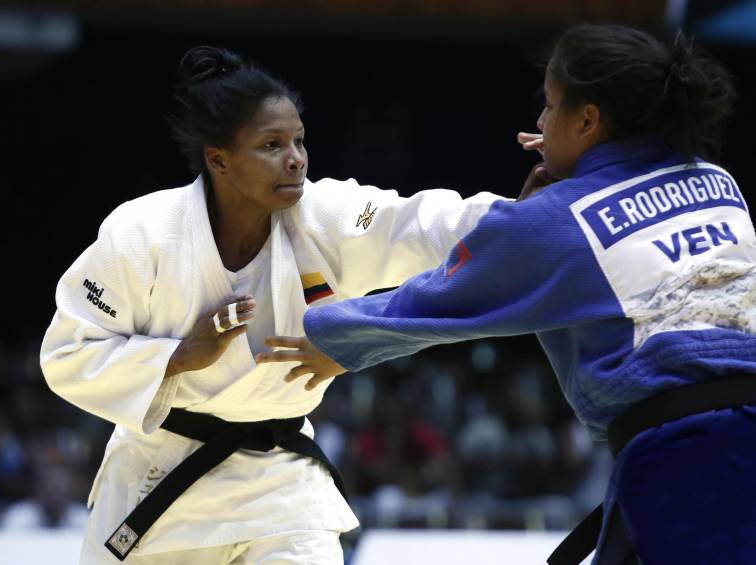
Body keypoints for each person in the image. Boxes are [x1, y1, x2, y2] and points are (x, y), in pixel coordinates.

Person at [258, 25, 756, 564]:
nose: (540, 124)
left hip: (697, 454)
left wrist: (331, 339)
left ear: (588, 120)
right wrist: (569, 176)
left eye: (550, 106)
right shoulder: (715, 181)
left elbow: (439, 300)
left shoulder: (558, 219)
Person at [39, 45, 501, 564]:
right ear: (219, 160)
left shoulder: (322, 215)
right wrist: (179, 355)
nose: (296, 158)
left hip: (282, 486)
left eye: (299, 140)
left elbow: (416, 221)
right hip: (162, 479)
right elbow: (68, 354)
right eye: (271, 144)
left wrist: (519, 219)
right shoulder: (142, 233)